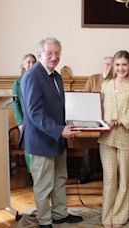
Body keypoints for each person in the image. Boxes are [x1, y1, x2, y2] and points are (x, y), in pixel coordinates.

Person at [20, 37, 83, 228]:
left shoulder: (55, 76)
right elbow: (35, 113)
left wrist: (73, 122)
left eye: (57, 53)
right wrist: (59, 130)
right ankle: (45, 221)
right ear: (40, 54)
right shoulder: (32, 75)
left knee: (59, 179)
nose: (54, 57)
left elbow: (60, 107)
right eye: (50, 53)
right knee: (44, 184)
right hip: (41, 140)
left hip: (57, 138)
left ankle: (60, 214)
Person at [98, 50, 129, 228]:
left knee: (124, 180)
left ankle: (119, 217)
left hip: (126, 136)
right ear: (113, 67)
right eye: (117, 65)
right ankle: (107, 216)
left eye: (124, 64)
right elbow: (99, 107)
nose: (121, 68)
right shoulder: (106, 85)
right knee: (109, 179)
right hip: (106, 137)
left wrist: (119, 120)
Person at [79, 56, 113, 184]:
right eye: (106, 64)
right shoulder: (93, 79)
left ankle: (105, 175)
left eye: (111, 64)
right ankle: (86, 173)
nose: (108, 66)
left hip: (109, 119)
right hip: (93, 117)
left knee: (107, 145)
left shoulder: (116, 80)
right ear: (102, 64)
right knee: (89, 144)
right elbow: (84, 96)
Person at [12, 53, 36, 182]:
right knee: (29, 147)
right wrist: (20, 122)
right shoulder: (18, 82)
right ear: (23, 65)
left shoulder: (39, 79)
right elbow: (15, 104)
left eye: (33, 62)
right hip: (26, 121)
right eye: (28, 62)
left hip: (38, 120)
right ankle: (31, 173)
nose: (31, 64)